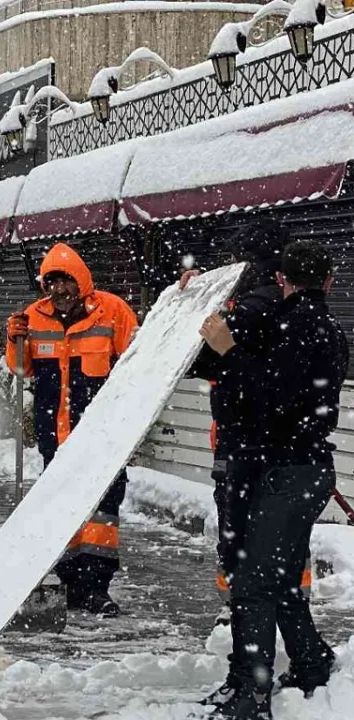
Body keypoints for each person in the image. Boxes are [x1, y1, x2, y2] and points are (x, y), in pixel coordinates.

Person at [199, 240, 346, 720]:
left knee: (252, 584)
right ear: (329, 281)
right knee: (281, 582)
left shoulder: (294, 326)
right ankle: (311, 664)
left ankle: (251, 695)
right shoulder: (326, 328)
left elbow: (272, 399)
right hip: (306, 471)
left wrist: (226, 348)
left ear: (282, 280)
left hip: (288, 473)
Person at [182, 220, 313, 702]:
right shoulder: (295, 312)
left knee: (247, 570)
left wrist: (195, 307)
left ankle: (249, 682)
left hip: (247, 454)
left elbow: (201, 361)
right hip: (280, 457)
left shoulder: (254, 309)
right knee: (282, 570)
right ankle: (307, 662)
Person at [6, 242, 138, 617]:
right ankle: (71, 582)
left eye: (66, 282)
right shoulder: (33, 318)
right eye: (52, 283)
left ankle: (96, 587)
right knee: (63, 509)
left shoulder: (113, 311)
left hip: (102, 435)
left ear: (81, 281)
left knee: (102, 511)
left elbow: (137, 361)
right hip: (55, 434)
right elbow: (20, 370)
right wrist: (14, 340)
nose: (60, 290)